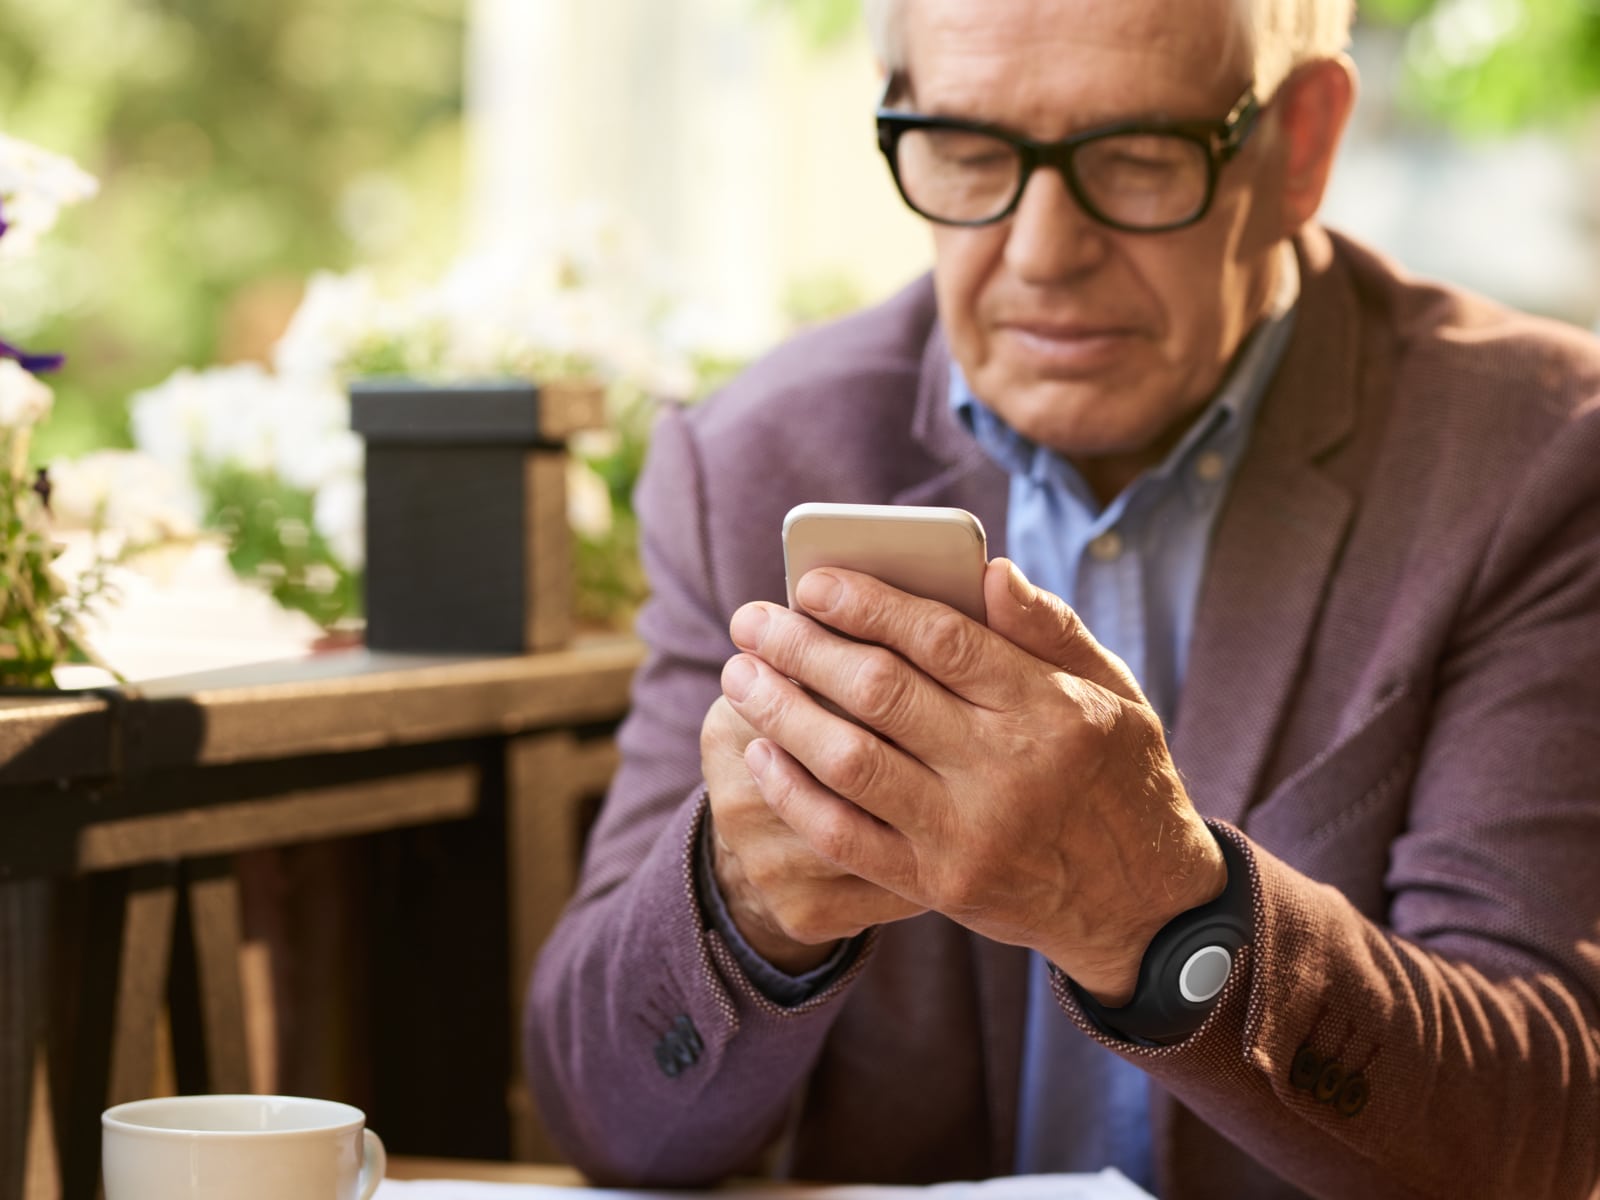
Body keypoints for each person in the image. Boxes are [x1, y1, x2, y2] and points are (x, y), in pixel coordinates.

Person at [525, 0, 1600, 1194]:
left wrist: (1161, 915)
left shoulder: (1538, 459)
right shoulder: (756, 465)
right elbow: (606, 1119)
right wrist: (743, 911)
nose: (1040, 252)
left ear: (1303, 142)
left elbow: (1548, 1128)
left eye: (1136, 158)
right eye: (969, 153)